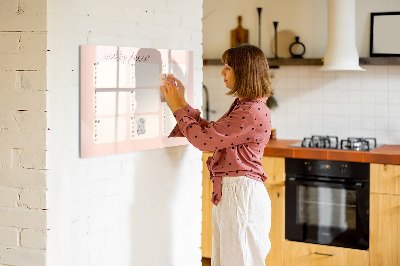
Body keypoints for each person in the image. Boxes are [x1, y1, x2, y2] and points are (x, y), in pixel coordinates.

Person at [161, 44, 273, 266]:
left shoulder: (250, 111)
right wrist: (182, 103)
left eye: (228, 67)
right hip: (236, 193)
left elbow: (204, 141)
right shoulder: (246, 106)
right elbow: (212, 133)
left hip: (241, 195)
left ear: (244, 72)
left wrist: (176, 108)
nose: (222, 72)